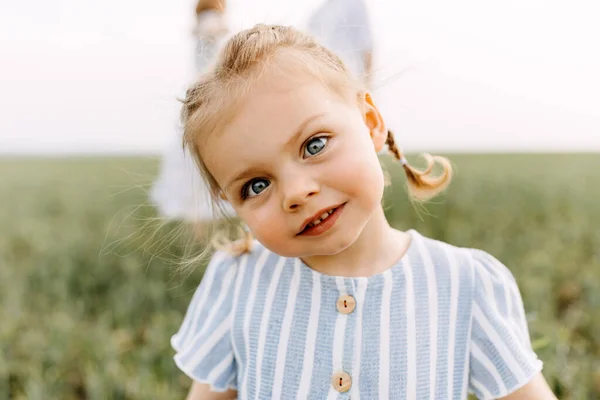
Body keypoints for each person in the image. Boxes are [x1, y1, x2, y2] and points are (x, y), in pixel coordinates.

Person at [170, 25, 556, 399]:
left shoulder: (464, 285)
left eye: (315, 145)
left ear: (370, 121)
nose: (297, 192)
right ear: (230, 202)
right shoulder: (239, 280)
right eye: (256, 186)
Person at [149, 0, 233, 226]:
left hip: (204, 86)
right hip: (209, 86)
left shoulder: (201, 25)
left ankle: (198, 199)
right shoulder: (212, 21)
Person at [307, 0, 374, 89]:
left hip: (347, 77)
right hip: (324, 76)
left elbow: (367, 46)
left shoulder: (355, 4)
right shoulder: (323, 9)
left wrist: (367, 85)